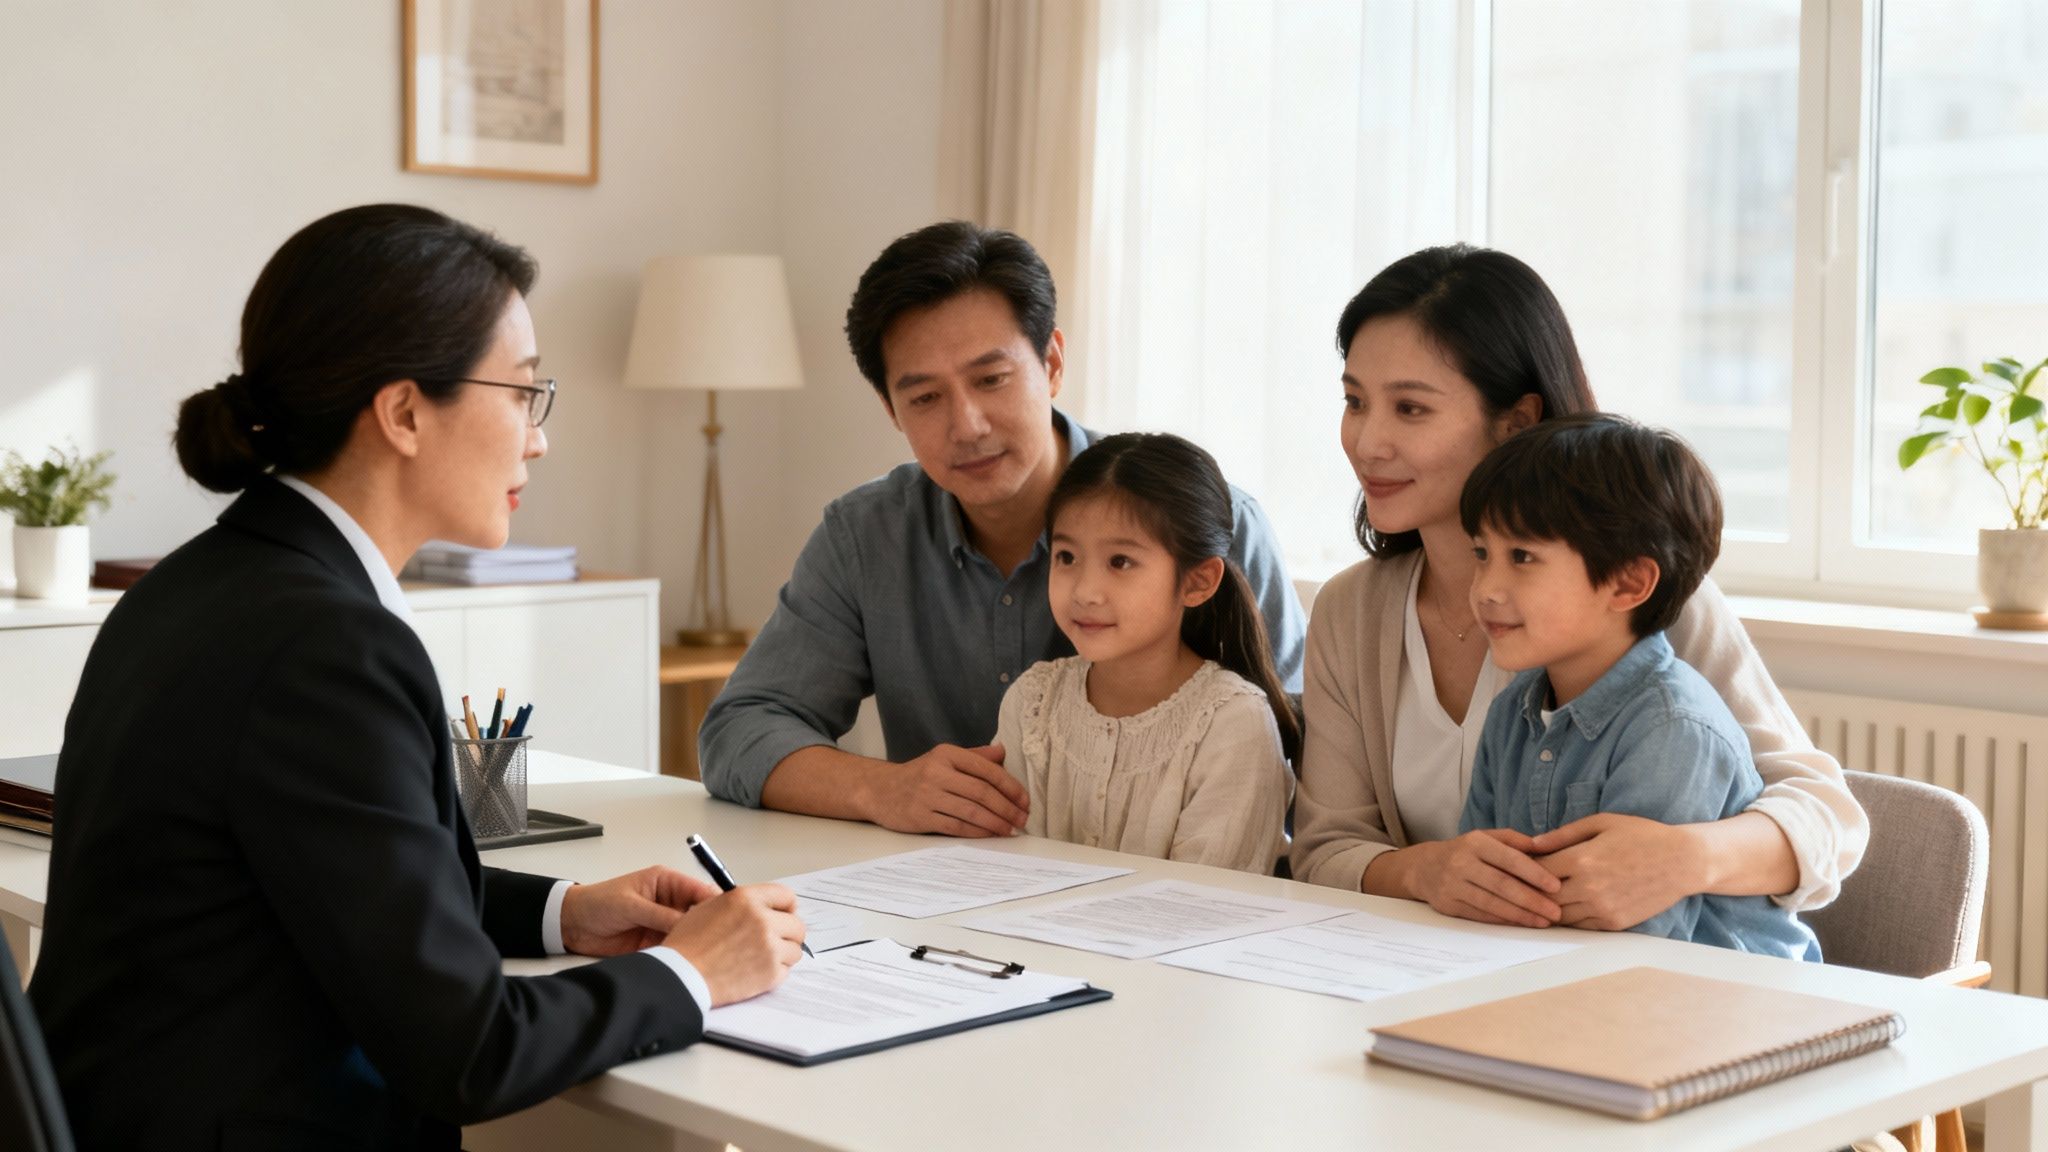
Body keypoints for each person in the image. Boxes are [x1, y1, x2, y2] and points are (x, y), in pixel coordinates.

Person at [30, 204, 806, 1150]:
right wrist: (694, 972)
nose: (538, 438)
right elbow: (468, 1052)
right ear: (403, 412)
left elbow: (346, 889)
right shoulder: (327, 646)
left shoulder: (204, 580)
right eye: (523, 393)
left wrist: (568, 912)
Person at [1289, 243, 1867, 933]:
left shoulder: (1630, 592)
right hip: (1454, 970)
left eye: (1411, 409)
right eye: (1355, 402)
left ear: (1517, 422)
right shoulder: (1351, 610)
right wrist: (1423, 871)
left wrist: (1687, 858)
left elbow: (1829, 818)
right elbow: (1322, 850)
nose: (1366, 442)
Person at [698, 221, 1305, 838]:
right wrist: (884, 788)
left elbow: (1300, 764)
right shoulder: (865, 537)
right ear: (891, 410)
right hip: (937, 906)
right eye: (925, 398)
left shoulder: (1211, 528)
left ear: (1053, 363)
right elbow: (740, 730)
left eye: (991, 379)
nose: (967, 425)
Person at [1456, 414, 1821, 959]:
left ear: (1628, 583)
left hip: (1718, 1002)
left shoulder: (1674, 728)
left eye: (1523, 557)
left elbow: (1640, 936)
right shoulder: (1514, 711)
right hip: (1571, 984)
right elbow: (1484, 890)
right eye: (1482, 554)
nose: (1485, 589)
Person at [993, 432, 1297, 873]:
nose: (1085, 591)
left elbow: (1207, 907)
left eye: (1120, 562)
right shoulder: (1032, 702)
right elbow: (1002, 865)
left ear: (1198, 582)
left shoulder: (1233, 724)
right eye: (1066, 557)